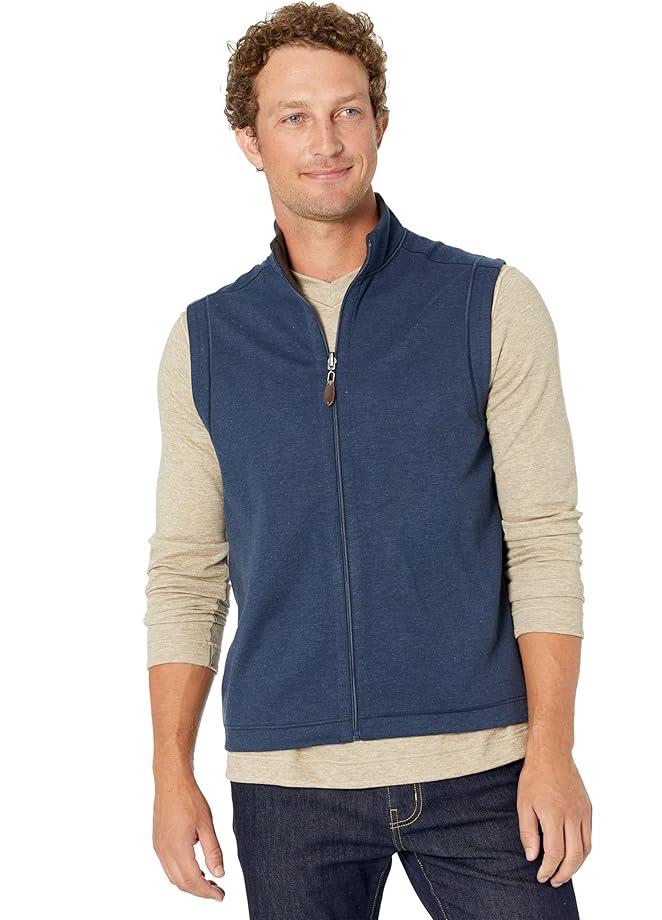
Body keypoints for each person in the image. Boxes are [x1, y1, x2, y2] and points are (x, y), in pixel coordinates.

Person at [144, 3, 592, 916]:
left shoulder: (488, 304)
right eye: (293, 117)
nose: (326, 141)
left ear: (381, 123)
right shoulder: (207, 343)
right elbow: (187, 574)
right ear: (249, 140)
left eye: (348, 110)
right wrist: (169, 773)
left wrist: (554, 747)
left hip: (485, 768)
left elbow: (544, 539)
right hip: (287, 786)